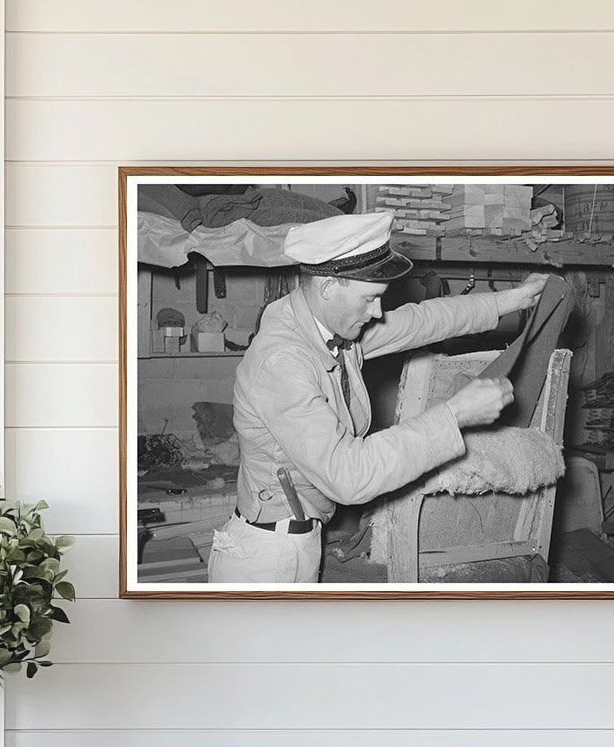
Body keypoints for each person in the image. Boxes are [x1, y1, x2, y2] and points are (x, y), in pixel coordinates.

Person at [208, 211, 555, 584]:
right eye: (370, 298)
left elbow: (422, 321)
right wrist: (453, 415)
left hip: (299, 540)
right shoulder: (282, 361)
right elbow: (348, 475)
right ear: (327, 286)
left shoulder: (327, 329)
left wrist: (514, 299)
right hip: (266, 557)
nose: (376, 312)